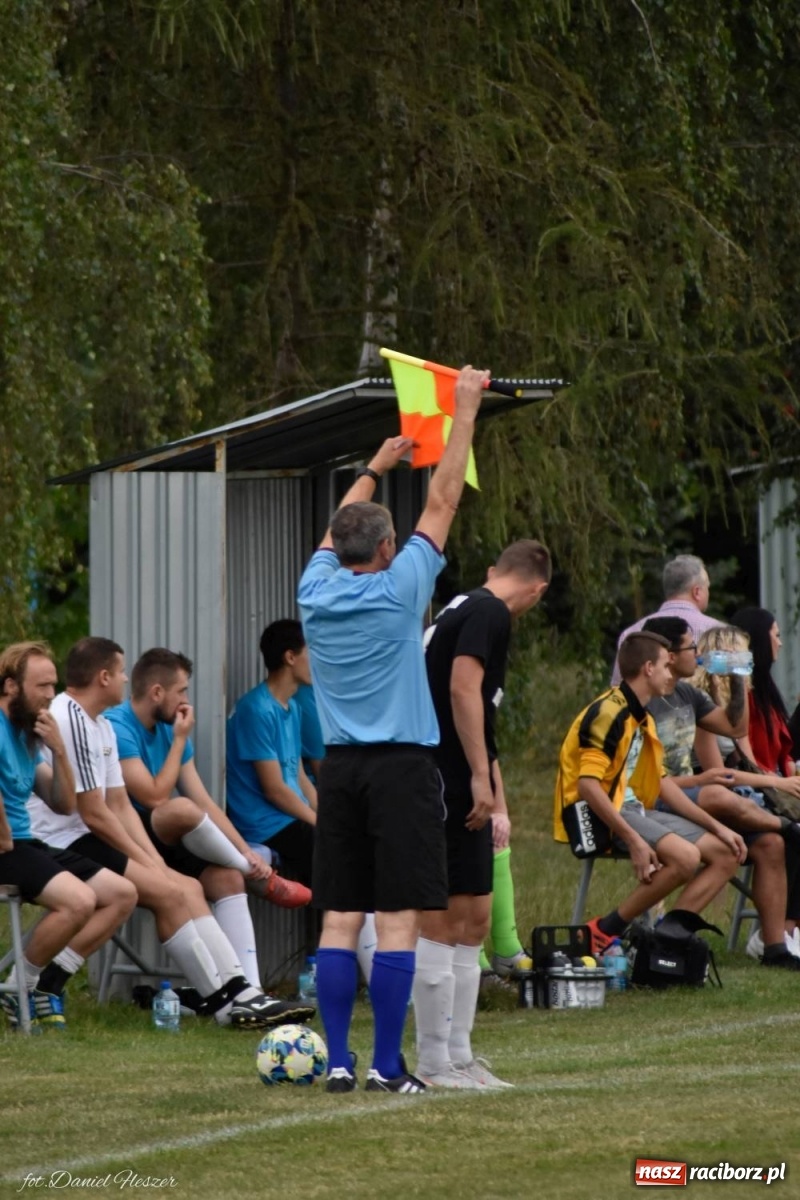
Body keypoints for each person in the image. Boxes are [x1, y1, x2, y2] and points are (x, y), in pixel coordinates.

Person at [298, 364, 488, 1095]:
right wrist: (463, 409)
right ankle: (385, 1067)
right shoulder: (403, 585)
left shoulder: (312, 590)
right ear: (386, 550)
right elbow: (443, 497)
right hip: (404, 768)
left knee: (340, 921)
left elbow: (339, 529)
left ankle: (338, 1061)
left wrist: (373, 469)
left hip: (338, 772)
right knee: (398, 919)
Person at [28, 636, 313, 1028]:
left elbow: (121, 806)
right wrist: (152, 866)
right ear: (104, 676)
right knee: (170, 890)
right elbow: (96, 814)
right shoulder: (71, 715)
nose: (128, 679)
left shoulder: (100, 726)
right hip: (61, 841)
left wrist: (154, 862)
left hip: (88, 834)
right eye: (123, 672)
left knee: (188, 887)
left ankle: (242, 994)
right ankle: (226, 1005)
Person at [414, 540, 550, 1089]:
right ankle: (432, 1062)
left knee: (474, 917)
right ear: (537, 591)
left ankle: (461, 1055)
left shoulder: (467, 605)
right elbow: (462, 688)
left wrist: (494, 786)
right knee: (445, 919)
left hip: (461, 775)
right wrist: (475, 774)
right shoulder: (489, 611)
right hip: (443, 777)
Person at [105, 648, 309, 998]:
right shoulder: (117, 725)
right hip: (129, 842)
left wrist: (245, 851)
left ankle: (250, 993)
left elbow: (205, 802)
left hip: (164, 845)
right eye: (181, 691)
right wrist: (181, 738)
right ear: (157, 693)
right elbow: (153, 796)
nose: (186, 700)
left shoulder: (169, 730)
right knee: (178, 809)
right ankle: (250, 870)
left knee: (228, 877)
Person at [555, 631, 746, 955]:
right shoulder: (608, 713)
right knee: (686, 858)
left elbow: (660, 785)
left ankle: (664, 941)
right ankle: (604, 931)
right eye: (664, 666)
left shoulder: (641, 717)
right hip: (601, 814)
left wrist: (719, 827)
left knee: (727, 853)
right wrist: (633, 839)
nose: (670, 673)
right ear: (647, 668)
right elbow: (587, 786)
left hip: (636, 809)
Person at [643, 616, 800, 971]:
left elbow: (736, 727)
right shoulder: (646, 699)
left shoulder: (688, 694)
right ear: (668, 655)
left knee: (770, 845)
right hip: (657, 796)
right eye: (691, 647)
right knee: (715, 793)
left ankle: (775, 948)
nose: (697, 654)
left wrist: (739, 678)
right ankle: (788, 826)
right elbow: (655, 779)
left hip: (687, 794)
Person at [0, 641, 136, 1030]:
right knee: (79, 901)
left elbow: (63, 804)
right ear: (11, 686)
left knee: (121, 893)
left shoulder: (27, 735)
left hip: (25, 843)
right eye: (41, 686)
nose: (49, 695)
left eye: (52, 685)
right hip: (6, 845)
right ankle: (20, 988)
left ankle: (42, 986)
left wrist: (59, 751)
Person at [691, 624, 800, 959]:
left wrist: (783, 782)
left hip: (742, 795)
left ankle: (775, 943)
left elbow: (751, 766)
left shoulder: (737, 702)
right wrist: (778, 783)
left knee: (772, 844)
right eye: (739, 656)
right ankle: (789, 926)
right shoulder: (700, 704)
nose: (747, 663)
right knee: (791, 833)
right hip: (703, 794)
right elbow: (716, 775)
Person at [226, 622, 317, 887]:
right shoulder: (256, 709)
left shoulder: (293, 706)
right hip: (265, 823)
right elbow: (275, 790)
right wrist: (320, 824)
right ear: (290, 657)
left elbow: (299, 775)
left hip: (289, 816)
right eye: (312, 653)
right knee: (337, 853)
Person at [611, 555, 722, 685]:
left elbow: (618, 689)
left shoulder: (631, 635)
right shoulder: (721, 633)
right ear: (697, 592)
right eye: (707, 587)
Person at [730, 608, 797, 779]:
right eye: (776, 635)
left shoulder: (765, 688)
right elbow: (746, 753)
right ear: (760, 638)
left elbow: (783, 753)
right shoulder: (741, 690)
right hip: (760, 781)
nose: (779, 643)